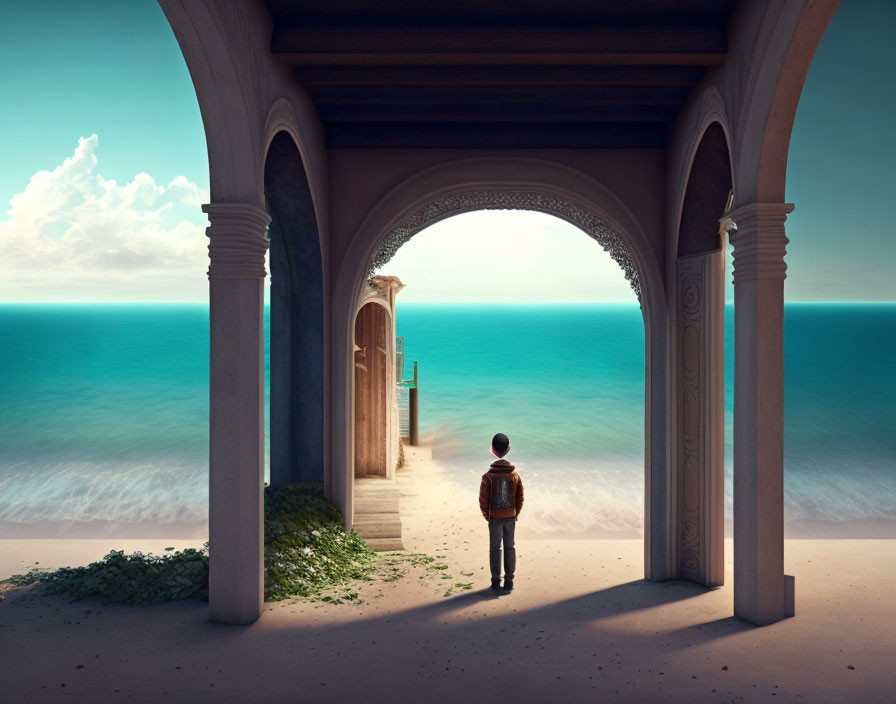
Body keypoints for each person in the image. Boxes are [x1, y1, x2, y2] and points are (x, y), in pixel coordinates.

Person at [479, 432, 524, 591]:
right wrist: (515, 513)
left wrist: (488, 516)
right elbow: (520, 497)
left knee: (494, 548)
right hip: (510, 517)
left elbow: (483, 500)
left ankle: (496, 580)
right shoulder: (514, 475)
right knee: (510, 547)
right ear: (509, 449)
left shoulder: (488, 477)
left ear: (492, 450)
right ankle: (509, 580)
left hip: (494, 518)